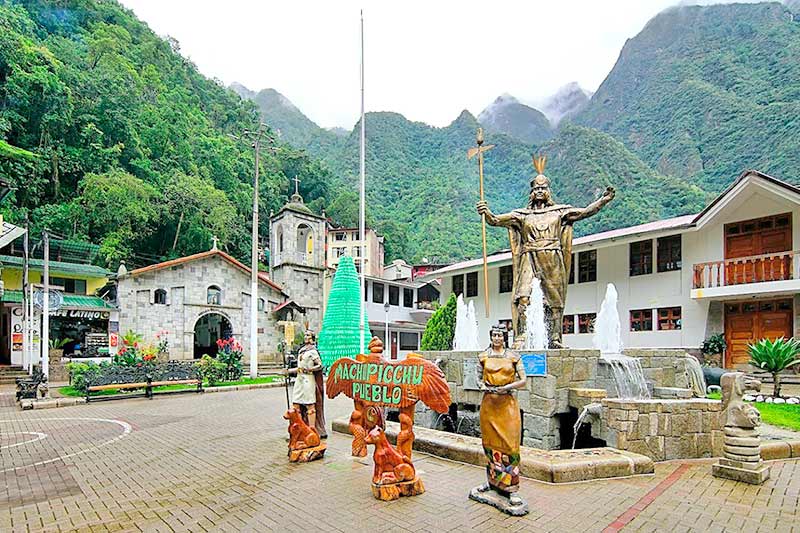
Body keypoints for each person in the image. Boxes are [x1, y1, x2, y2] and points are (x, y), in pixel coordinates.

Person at [477, 156, 614, 348]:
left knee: (553, 301)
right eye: (536, 189)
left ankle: (555, 338)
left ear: (548, 191)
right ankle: (522, 335)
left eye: (543, 188)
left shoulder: (560, 212)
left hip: (552, 258)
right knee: (523, 296)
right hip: (529, 257)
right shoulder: (522, 215)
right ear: (531, 192)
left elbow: (584, 213)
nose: (539, 191)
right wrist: (486, 212)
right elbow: (496, 220)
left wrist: (603, 201)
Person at [474, 326, 528, 507]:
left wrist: (508, 387)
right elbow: (477, 377)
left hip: (507, 405)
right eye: (494, 335)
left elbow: (523, 379)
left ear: (504, 337)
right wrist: (482, 386)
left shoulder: (513, 356)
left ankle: (512, 489)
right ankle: (492, 482)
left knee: (511, 446)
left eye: (500, 335)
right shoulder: (483, 356)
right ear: (490, 337)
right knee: (489, 444)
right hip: (489, 405)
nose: (497, 338)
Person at [285, 330, 323, 432]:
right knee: (296, 404)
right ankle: (299, 428)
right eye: (305, 334)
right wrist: (288, 371)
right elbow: (299, 368)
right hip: (299, 379)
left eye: (308, 335)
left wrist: (310, 369)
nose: (305, 336)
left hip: (308, 379)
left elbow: (319, 365)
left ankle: (312, 430)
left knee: (309, 404)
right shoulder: (301, 350)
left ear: (312, 337)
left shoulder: (313, 351)